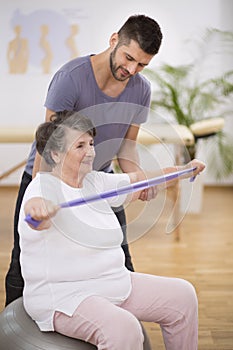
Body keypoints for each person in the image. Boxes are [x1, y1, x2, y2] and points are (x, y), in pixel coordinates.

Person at [5, 14, 164, 305]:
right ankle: (11, 330)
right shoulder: (71, 77)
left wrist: (138, 180)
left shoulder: (142, 90)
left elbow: (127, 147)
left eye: (141, 64)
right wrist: (44, 193)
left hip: (97, 181)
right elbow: (49, 145)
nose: (131, 69)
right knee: (23, 262)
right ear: (114, 39)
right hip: (46, 178)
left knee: (122, 259)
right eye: (128, 58)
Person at [19, 111, 205, 350]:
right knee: (125, 328)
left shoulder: (95, 181)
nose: (91, 152)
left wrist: (184, 170)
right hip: (66, 295)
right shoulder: (43, 187)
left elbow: (142, 180)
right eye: (80, 146)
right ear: (56, 154)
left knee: (183, 296)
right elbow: (34, 215)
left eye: (92, 143)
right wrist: (38, 212)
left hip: (112, 282)